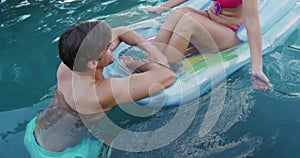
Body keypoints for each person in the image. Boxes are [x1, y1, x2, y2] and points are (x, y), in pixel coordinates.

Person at [24, 20, 176, 158]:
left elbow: (121, 30)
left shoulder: (69, 64)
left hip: (34, 133)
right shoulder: (101, 92)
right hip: (66, 155)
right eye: (108, 48)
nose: (112, 46)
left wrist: (153, 51)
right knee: (114, 142)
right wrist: (136, 65)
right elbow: (167, 76)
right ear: (92, 63)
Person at [148, 0, 272, 92]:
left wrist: (257, 68)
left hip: (228, 32)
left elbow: (253, 23)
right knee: (181, 12)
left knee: (189, 21)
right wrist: (163, 7)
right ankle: (152, 59)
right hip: (210, 18)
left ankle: (165, 70)